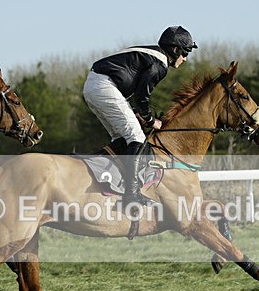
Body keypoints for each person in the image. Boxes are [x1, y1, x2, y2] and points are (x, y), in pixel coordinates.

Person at [83, 25, 197, 207]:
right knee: (136, 138)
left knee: (121, 139)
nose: (185, 59)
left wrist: (139, 113)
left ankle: (109, 183)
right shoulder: (160, 64)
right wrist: (151, 120)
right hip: (104, 86)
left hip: (95, 86)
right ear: (175, 49)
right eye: (185, 53)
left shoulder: (153, 54)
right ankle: (132, 195)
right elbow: (142, 96)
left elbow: (135, 92)